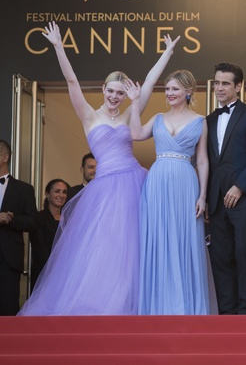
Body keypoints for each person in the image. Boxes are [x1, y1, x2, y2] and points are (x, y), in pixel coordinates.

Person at [18, 21, 179, 316]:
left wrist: (167, 53)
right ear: (103, 89)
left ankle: (134, 304)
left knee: (134, 246)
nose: (115, 96)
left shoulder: (130, 112)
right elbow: (71, 82)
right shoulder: (89, 116)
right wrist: (58, 46)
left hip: (134, 182)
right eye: (111, 91)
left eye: (120, 93)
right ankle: (101, 304)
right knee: (102, 246)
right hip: (105, 187)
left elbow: (149, 83)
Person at [126, 69, 211, 315]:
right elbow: (136, 134)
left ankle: (185, 308)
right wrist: (134, 103)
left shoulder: (200, 121)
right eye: (167, 89)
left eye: (175, 89)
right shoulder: (158, 118)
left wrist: (202, 196)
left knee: (185, 240)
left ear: (188, 91)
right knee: (158, 238)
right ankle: (158, 307)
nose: (170, 93)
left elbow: (202, 160)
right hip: (158, 183)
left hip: (186, 184)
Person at [206, 62, 246, 315]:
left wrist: (239, 187)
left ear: (238, 86)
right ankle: (226, 316)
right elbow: (207, 162)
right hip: (216, 201)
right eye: (217, 83)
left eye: (225, 83)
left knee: (245, 255)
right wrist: (206, 197)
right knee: (221, 258)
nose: (219, 88)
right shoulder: (209, 120)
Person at [0, 139, 38, 316]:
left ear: (5, 157)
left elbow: (33, 222)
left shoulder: (24, 189)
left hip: (9, 259)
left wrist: (11, 219)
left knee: (8, 307)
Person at [29, 179, 69, 291]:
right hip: (44, 275)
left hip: (65, 275)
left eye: (64, 192)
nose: (61, 195)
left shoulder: (69, 220)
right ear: (47, 194)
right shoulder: (38, 218)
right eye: (57, 191)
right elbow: (39, 248)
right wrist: (55, 268)